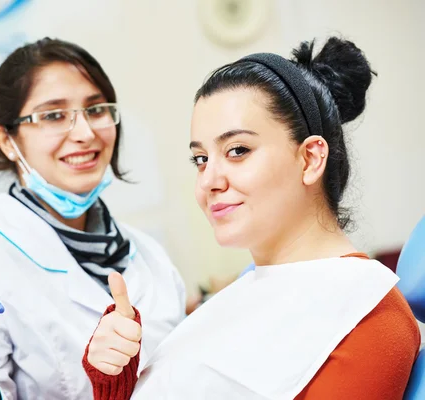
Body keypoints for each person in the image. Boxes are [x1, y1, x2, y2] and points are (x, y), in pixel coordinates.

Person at [83, 37, 421, 399]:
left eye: (238, 150)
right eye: (201, 159)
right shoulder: (248, 290)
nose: (209, 181)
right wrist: (114, 379)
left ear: (310, 159)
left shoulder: (369, 315)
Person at [0, 38, 187, 400]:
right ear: (7, 140)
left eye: (96, 110)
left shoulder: (149, 255)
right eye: (53, 115)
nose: (84, 133)